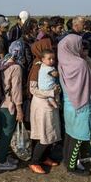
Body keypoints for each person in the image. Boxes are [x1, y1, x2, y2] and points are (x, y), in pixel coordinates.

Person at [58, 34, 91, 176]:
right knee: (78, 137)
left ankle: (66, 160)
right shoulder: (80, 63)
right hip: (81, 104)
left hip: (68, 103)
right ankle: (72, 167)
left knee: (70, 134)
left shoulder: (62, 62)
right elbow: (89, 86)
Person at [28, 38, 61, 174]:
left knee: (50, 132)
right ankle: (34, 161)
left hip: (49, 103)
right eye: (49, 46)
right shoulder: (37, 66)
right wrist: (51, 92)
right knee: (45, 134)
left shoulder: (48, 65)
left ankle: (44, 157)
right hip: (42, 104)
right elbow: (33, 89)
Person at [0, 41, 24, 170]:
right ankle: (1, 161)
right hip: (9, 104)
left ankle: (4, 156)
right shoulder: (16, 67)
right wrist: (19, 109)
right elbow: (16, 90)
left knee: (3, 132)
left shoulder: (2, 62)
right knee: (7, 134)